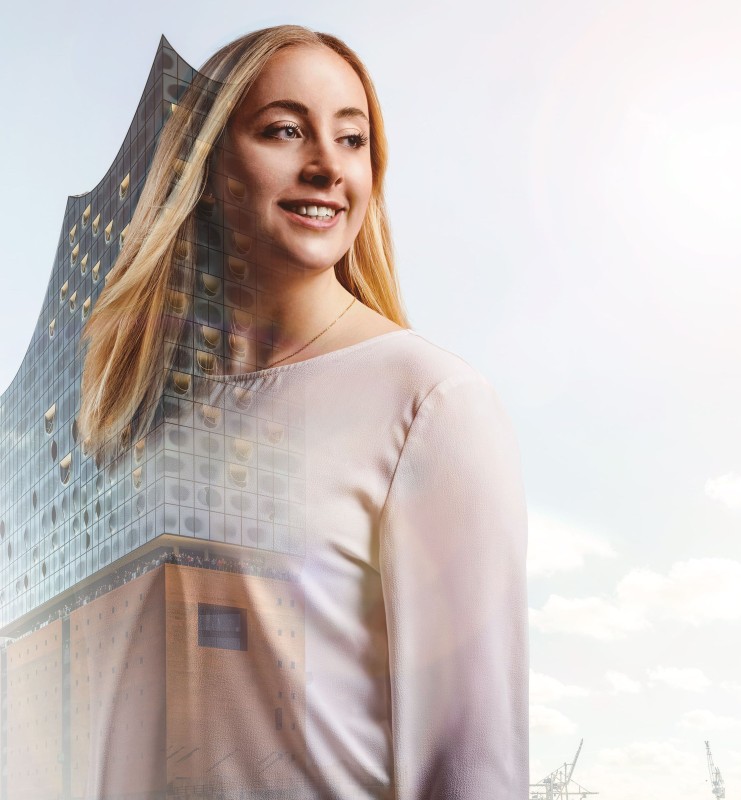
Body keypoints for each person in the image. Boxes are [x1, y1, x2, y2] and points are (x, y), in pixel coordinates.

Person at [77, 24, 529, 800]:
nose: (326, 165)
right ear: (209, 166)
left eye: (351, 139)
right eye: (286, 130)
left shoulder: (431, 404)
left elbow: (472, 759)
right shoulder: (144, 415)